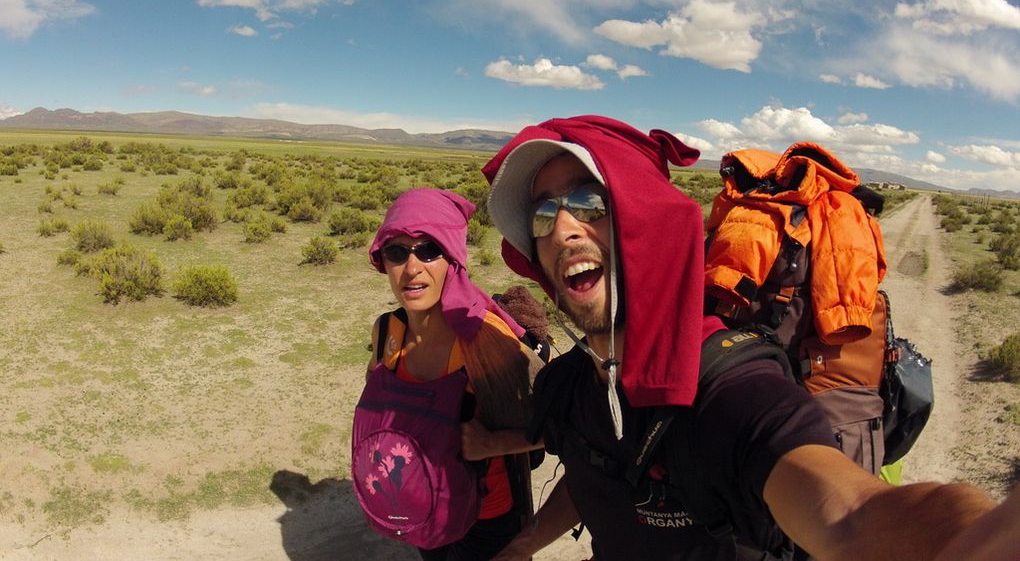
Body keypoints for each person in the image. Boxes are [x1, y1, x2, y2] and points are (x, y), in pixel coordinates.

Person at [477, 114, 997, 561]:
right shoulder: (576, 383)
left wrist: (968, 538)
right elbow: (600, 471)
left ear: (644, 222)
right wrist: (523, 544)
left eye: (589, 203)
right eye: (543, 214)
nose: (563, 226)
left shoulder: (731, 386)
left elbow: (847, 513)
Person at [363, 187, 543, 561]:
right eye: (397, 252)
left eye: (429, 250)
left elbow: (565, 427)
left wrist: (493, 445)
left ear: (453, 257)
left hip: (487, 519)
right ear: (384, 261)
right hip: (420, 504)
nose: (412, 268)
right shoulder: (387, 332)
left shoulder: (488, 341)